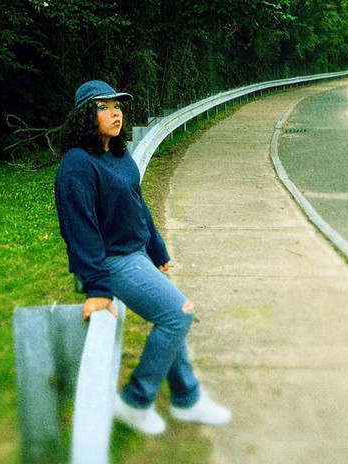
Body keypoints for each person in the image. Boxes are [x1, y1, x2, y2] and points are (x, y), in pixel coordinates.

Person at [54, 80, 231, 436]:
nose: (115, 113)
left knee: (169, 316)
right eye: (103, 107)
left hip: (135, 254)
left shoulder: (118, 156)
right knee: (178, 314)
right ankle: (135, 401)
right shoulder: (77, 165)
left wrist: (156, 248)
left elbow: (137, 205)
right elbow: (79, 230)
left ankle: (187, 398)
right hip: (112, 261)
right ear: (86, 116)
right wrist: (97, 288)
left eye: (117, 105)